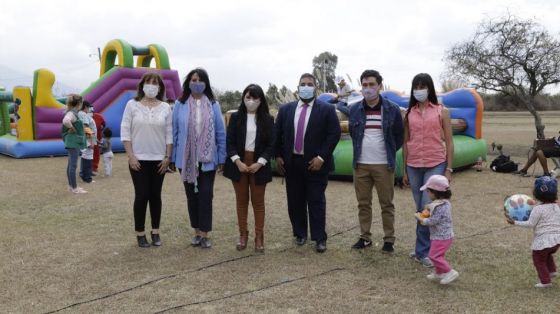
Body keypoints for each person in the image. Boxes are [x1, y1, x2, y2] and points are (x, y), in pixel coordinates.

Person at [274, 73, 341, 253]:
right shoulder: (286, 109)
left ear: (316, 88)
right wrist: (278, 156)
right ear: (298, 87)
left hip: (316, 164)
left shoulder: (327, 109)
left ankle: (320, 238)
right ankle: (300, 233)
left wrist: (321, 157)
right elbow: (277, 135)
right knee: (295, 200)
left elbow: (334, 134)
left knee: (316, 201)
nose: (305, 87)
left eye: (309, 84)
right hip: (292, 163)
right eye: (302, 84)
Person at [348, 69, 404, 253]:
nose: (368, 88)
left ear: (380, 85)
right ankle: (365, 237)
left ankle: (389, 240)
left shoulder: (391, 109)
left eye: (372, 84)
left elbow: (399, 135)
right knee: (363, 203)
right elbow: (354, 134)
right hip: (361, 164)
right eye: (364, 85)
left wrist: (387, 151)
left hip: (383, 164)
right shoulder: (354, 109)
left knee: (386, 204)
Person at [170, 68, 226, 249]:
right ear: (188, 82)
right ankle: (196, 232)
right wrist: (172, 157)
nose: (196, 83)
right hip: (185, 159)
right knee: (191, 196)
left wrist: (222, 158)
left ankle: (205, 233)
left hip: (208, 159)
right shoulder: (180, 104)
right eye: (193, 80)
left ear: (206, 83)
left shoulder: (214, 104)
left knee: (206, 195)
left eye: (200, 80)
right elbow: (175, 132)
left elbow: (219, 132)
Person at [403, 73, 454, 268]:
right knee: (420, 209)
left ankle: (423, 252)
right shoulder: (408, 114)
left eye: (423, 86)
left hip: (435, 163)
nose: (419, 90)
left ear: (430, 88)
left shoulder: (442, 111)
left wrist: (449, 168)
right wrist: (405, 170)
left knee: (427, 208)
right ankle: (420, 249)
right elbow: (406, 142)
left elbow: (449, 141)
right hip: (414, 165)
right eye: (416, 86)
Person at [121, 72, 172, 248]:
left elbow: (169, 134)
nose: (152, 86)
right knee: (142, 195)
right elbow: (125, 131)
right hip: (138, 159)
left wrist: (167, 157)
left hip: (159, 159)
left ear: (160, 87)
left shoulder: (166, 107)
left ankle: (155, 231)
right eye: (149, 82)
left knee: (155, 196)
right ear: (142, 85)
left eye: (155, 83)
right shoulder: (132, 105)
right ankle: (140, 233)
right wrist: (131, 156)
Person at [223, 84, 275, 253]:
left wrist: (260, 162)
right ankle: (242, 234)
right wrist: (237, 161)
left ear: (261, 100)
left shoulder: (267, 119)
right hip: (238, 163)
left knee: (258, 202)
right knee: (241, 201)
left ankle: (259, 237)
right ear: (243, 99)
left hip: (259, 164)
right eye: (248, 97)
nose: (251, 101)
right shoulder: (236, 117)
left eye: (255, 98)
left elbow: (271, 145)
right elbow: (229, 143)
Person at [506, 176, 560, 288]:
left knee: (538, 259)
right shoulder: (556, 206)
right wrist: (534, 203)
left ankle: (545, 281)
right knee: (547, 253)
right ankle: (552, 270)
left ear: (536, 193)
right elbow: (546, 209)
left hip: (543, 240)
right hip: (556, 240)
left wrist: (514, 222)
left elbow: (530, 224)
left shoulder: (537, 209)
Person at [414, 175, 459, 285]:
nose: (427, 194)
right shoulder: (443, 203)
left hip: (442, 237)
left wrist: (421, 219)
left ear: (435, 192)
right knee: (439, 255)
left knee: (433, 256)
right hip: (439, 236)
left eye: (428, 191)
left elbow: (433, 221)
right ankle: (439, 273)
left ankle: (450, 271)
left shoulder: (441, 206)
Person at [61, 94, 87, 194]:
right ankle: (75, 188)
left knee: (70, 165)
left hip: (72, 142)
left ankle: (71, 186)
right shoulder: (72, 113)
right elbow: (66, 121)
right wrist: (71, 128)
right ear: (79, 103)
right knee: (73, 165)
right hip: (73, 143)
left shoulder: (73, 112)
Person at [78, 101, 96, 184]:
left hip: (89, 138)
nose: (90, 109)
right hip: (88, 139)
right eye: (89, 107)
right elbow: (86, 127)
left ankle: (84, 175)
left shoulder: (82, 114)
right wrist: (91, 141)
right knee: (88, 157)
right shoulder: (83, 114)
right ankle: (87, 177)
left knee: (86, 156)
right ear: (85, 107)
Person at [91, 106, 106, 175]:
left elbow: (104, 124)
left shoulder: (99, 116)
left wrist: (102, 127)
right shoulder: (84, 118)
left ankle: (94, 167)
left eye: (92, 112)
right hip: (89, 139)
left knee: (96, 153)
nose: (91, 113)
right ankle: (87, 168)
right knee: (88, 153)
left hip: (98, 138)